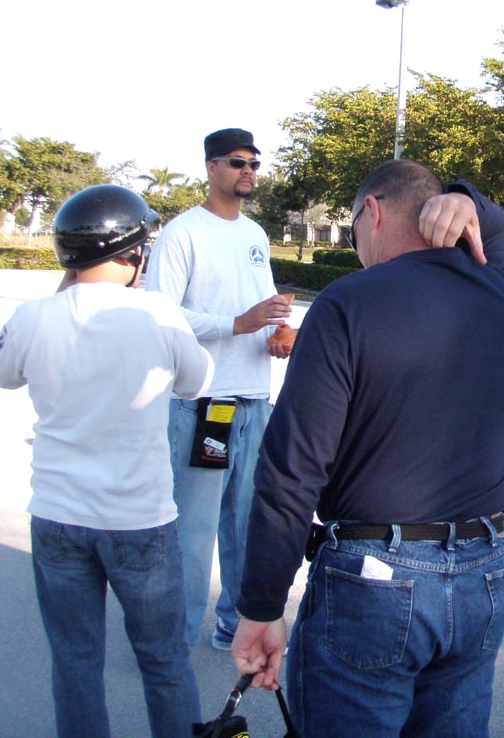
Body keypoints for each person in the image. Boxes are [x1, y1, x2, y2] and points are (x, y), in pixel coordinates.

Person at [230, 160, 504, 737]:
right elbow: (498, 232)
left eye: (351, 232)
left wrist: (262, 606)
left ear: (371, 211)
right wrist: (467, 198)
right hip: (486, 568)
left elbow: (292, 471)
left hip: (376, 579)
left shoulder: (349, 302)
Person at [0, 185, 214, 738]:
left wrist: (61, 292)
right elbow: (198, 380)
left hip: (57, 517)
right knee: (163, 660)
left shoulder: (34, 316)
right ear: (134, 254)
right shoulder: (157, 313)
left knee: (75, 660)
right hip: (139, 521)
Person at [144, 128, 293, 650]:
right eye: (236, 162)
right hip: (204, 403)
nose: (247, 171)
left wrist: (279, 331)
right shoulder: (182, 233)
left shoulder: (254, 234)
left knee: (248, 525)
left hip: (254, 400)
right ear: (211, 168)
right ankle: (175, 639)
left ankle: (234, 620)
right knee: (194, 530)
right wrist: (236, 323)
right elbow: (160, 315)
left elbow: (265, 304)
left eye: (254, 163)